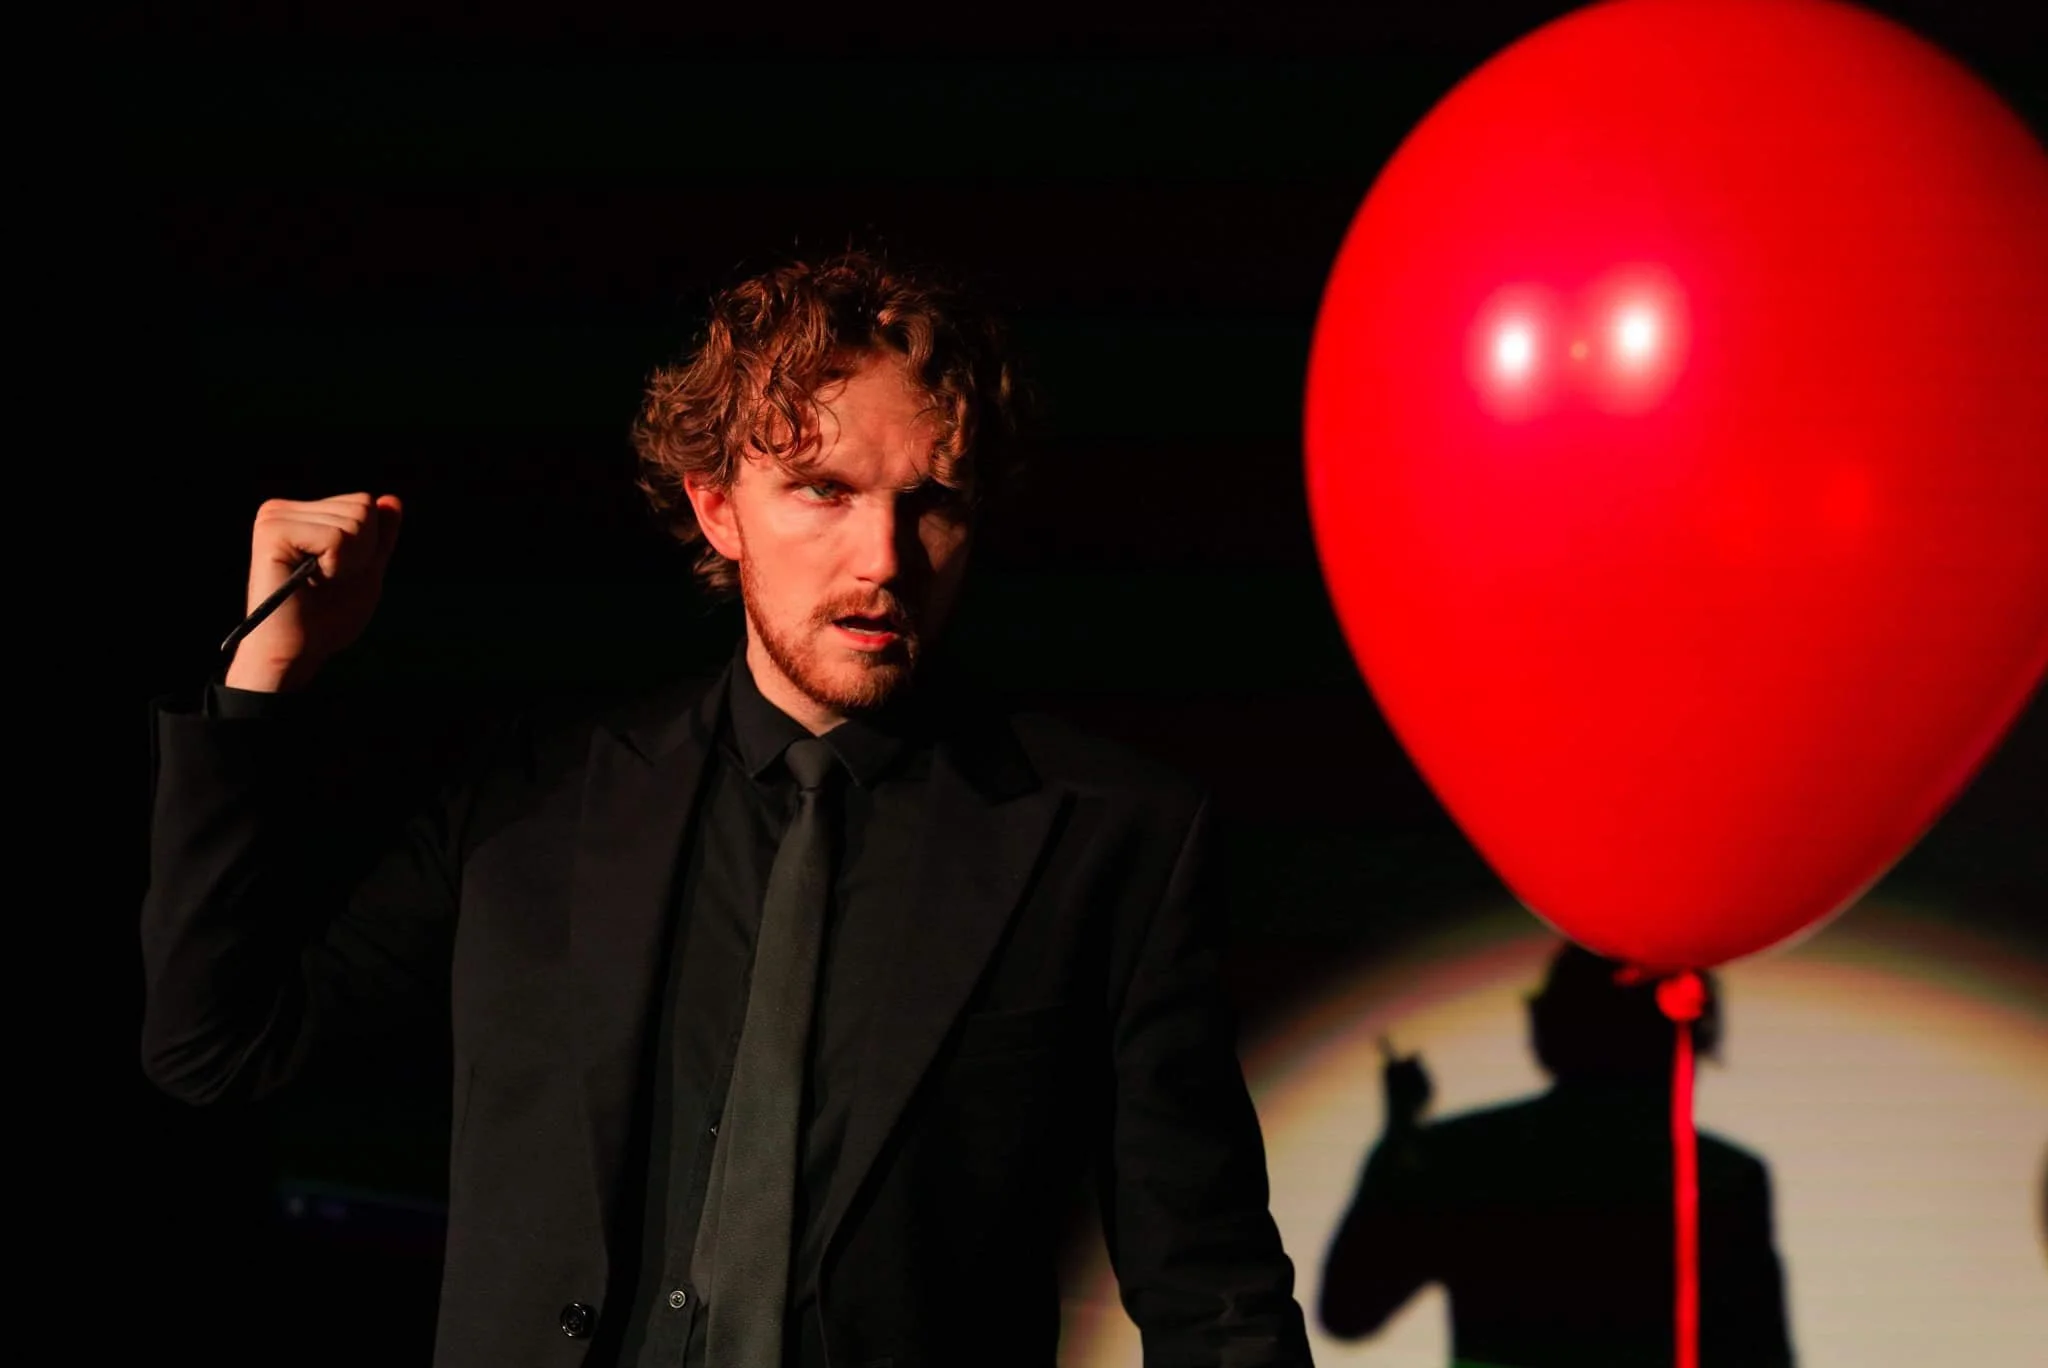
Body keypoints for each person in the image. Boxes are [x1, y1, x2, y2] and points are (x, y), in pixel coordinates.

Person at [139, 251, 1314, 1368]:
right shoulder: (535, 800)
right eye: (821, 490)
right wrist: (264, 685)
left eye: (932, 500)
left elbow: (1208, 1290)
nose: (883, 558)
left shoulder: (1106, 838)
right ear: (715, 506)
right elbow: (216, 1049)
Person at [1318, 942, 1794, 1368]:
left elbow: (1348, 1312)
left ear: (1550, 1029)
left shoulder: (1469, 1156)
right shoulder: (1726, 1179)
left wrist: (1399, 1143)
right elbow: (1763, 1354)